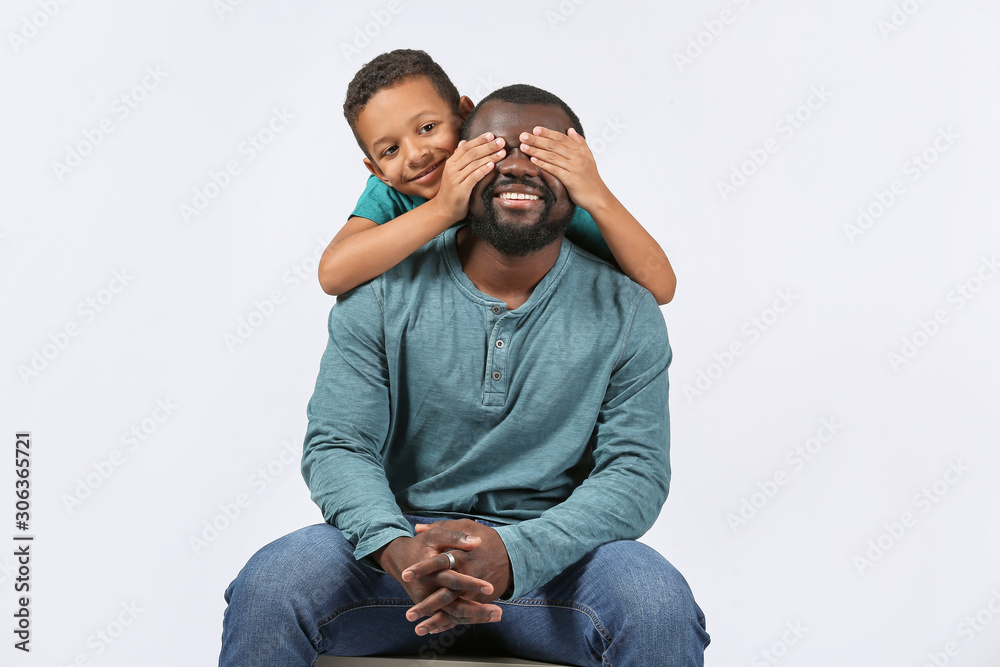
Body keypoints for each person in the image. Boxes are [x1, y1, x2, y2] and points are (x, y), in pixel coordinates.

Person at [220, 85, 709, 666]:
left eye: (544, 155)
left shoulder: (628, 311)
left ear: (578, 177)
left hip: (554, 562)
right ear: (459, 165)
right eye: (494, 152)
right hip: (399, 559)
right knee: (272, 584)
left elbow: (636, 473)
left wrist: (514, 551)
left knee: (655, 601)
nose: (517, 170)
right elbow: (339, 445)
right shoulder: (379, 291)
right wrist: (396, 547)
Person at [317, 49, 676, 306]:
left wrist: (595, 193)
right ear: (378, 171)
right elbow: (333, 275)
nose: (415, 154)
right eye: (390, 150)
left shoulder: (518, 183)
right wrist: (443, 209)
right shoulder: (390, 194)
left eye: (427, 127)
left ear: (465, 115)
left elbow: (661, 287)